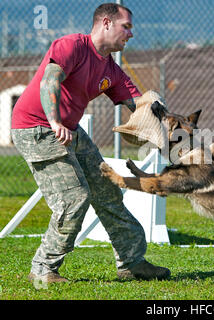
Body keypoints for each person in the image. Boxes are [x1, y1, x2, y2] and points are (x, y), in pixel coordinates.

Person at [11, 3, 170, 283]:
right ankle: (43, 269)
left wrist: (165, 117)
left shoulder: (111, 69)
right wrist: (55, 121)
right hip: (36, 126)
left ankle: (131, 263)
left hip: (68, 128)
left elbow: (141, 105)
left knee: (108, 190)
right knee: (74, 198)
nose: (131, 34)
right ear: (106, 23)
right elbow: (50, 81)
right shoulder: (72, 45)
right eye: (127, 27)